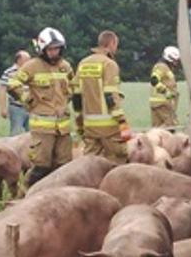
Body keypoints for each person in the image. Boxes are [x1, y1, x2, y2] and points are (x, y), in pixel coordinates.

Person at [7, 27, 76, 184]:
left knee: (64, 166)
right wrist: (27, 99)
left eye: (57, 49)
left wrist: (67, 98)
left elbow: (74, 85)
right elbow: (13, 83)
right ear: (42, 49)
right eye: (50, 49)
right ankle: (25, 193)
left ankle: (57, 194)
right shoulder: (32, 66)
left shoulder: (65, 66)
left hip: (63, 127)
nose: (54, 52)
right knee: (41, 166)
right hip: (42, 128)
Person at [75, 31, 133, 163]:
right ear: (112, 43)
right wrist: (122, 121)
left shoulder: (83, 63)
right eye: (116, 45)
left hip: (89, 125)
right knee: (117, 160)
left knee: (90, 163)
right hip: (109, 126)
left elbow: (76, 95)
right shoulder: (109, 64)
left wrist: (79, 122)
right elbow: (110, 94)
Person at [150, 45, 182, 129]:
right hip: (163, 102)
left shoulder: (165, 68)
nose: (176, 63)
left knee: (156, 127)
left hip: (158, 103)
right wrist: (166, 92)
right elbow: (154, 80)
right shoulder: (161, 67)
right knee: (171, 125)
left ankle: (152, 136)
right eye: (175, 60)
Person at [0, 50, 31, 136]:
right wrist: (3, 108)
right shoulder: (9, 72)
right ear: (19, 60)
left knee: (32, 134)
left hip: (31, 108)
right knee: (16, 133)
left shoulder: (30, 72)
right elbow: (2, 90)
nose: (29, 62)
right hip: (16, 108)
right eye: (27, 59)